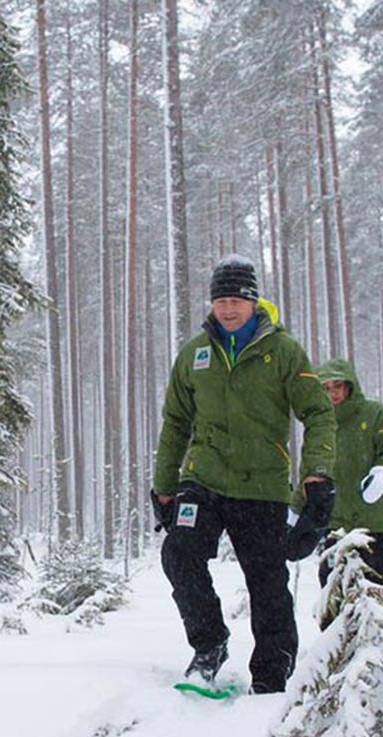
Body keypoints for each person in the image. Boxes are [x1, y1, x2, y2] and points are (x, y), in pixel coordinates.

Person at [151, 255, 336, 695]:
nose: (228, 309)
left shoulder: (284, 352)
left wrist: (317, 474)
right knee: (178, 554)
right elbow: (176, 421)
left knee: (267, 580)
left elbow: (318, 412)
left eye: (237, 299)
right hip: (204, 477)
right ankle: (209, 645)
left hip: (262, 485)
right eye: (221, 300)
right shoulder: (195, 353)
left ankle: (272, 674)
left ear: (254, 302)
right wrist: (163, 485)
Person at [312, 358, 383, 622]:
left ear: (349, 386)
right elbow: (311, 469)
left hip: (377, 523)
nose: (332, 393)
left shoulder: (375, 413)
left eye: (337, 386)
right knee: (334, 594)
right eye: (326, 388)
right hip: (335, 525)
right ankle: (339, 653)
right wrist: (296, 509)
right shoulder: (318, 422)